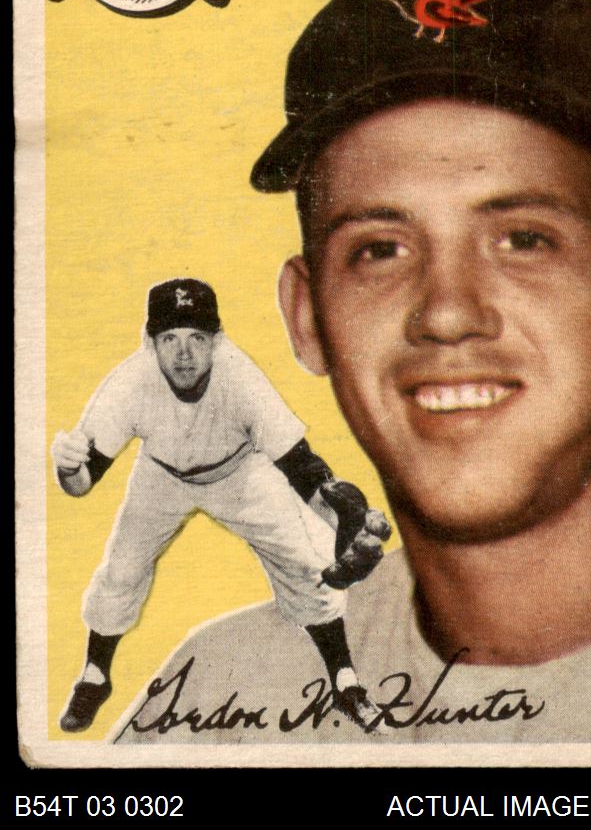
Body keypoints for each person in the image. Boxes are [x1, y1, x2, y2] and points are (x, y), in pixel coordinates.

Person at [115, 0, 591, 745]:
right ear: (306, 317)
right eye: (379, 250)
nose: (446, 314)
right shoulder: (218, 705)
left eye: (523, 239)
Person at [52, 277, 391, 733]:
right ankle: (95, 675)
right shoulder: (130, 383)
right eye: (169, 339)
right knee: (122, 568)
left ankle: (345, 679)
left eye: (196, 338)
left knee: (305, 564)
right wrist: (69, 469)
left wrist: (340, 518)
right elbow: (81, 484)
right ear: (150, 344)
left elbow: (302, 467)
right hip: (162, 477)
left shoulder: (241, 379)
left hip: (240, 474)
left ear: (218, 340)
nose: (183, 353)